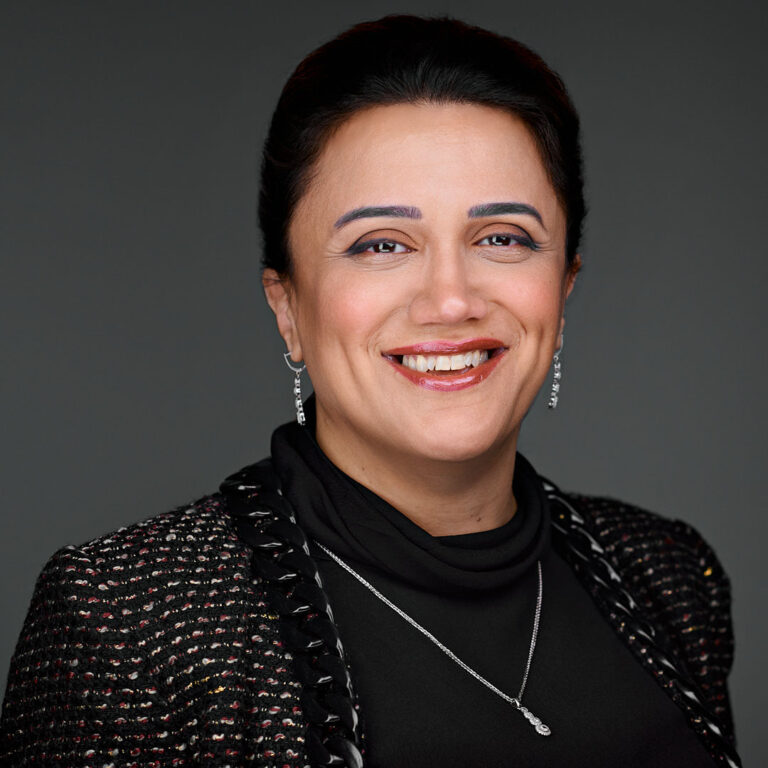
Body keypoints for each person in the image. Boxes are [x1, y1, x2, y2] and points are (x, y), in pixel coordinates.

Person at [0, 14, 740, 768]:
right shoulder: (125, 617)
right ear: (287, 305)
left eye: (502, 238)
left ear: (564, 285)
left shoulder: (670, 576)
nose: (451, 300)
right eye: (381, 244)